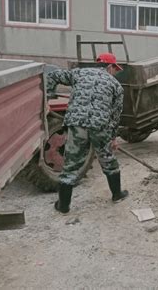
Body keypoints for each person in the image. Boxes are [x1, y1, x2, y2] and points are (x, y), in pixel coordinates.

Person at [47, 52, 128, 214]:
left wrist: (48, 96)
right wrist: (113, 139)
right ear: (110, 66)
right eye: (115, 69)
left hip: (77, 124)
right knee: (108, 160)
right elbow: (115, 116)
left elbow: (53, 75)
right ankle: (117, 195)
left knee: (71, 164)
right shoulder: (115, 85)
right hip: (100, 126)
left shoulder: (79, 73)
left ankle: (63, 206)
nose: (115, 72)